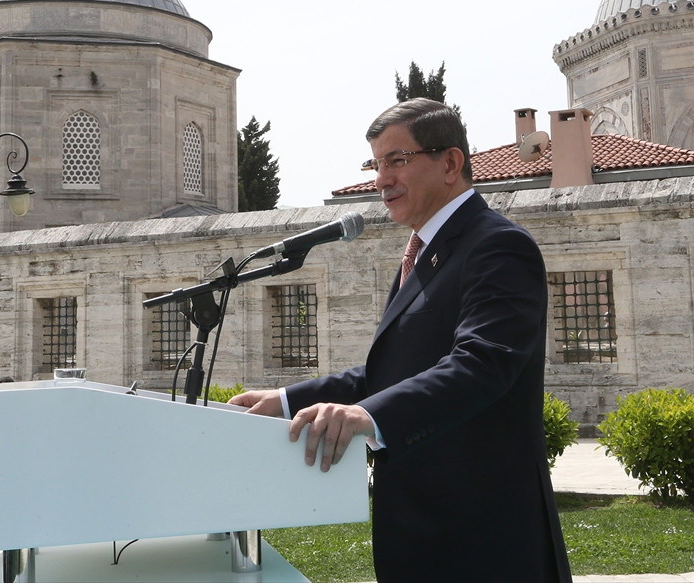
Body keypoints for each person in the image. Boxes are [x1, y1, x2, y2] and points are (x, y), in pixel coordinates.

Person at [230, 98, 572, 582]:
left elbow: (482, 364)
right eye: (376, 164)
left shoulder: (497, 246)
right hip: (421, 532)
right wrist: (286, 400)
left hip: (483, 537)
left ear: (449, 163)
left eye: (397, 160)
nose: (381, 180)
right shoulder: (426, 250)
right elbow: (394, 371)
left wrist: (369, 416)